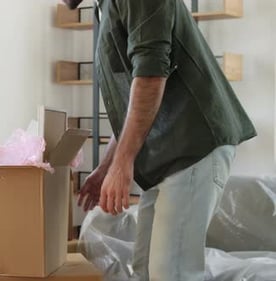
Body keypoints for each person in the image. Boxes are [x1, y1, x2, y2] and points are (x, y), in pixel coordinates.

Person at [63, 0, 257, 280]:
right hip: (165, 156)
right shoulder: (103, 6)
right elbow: (132, 101)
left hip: (192, 145)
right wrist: (107, 166)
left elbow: (151, 76)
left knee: (172, 274)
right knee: (143, 271)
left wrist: (122, 164)